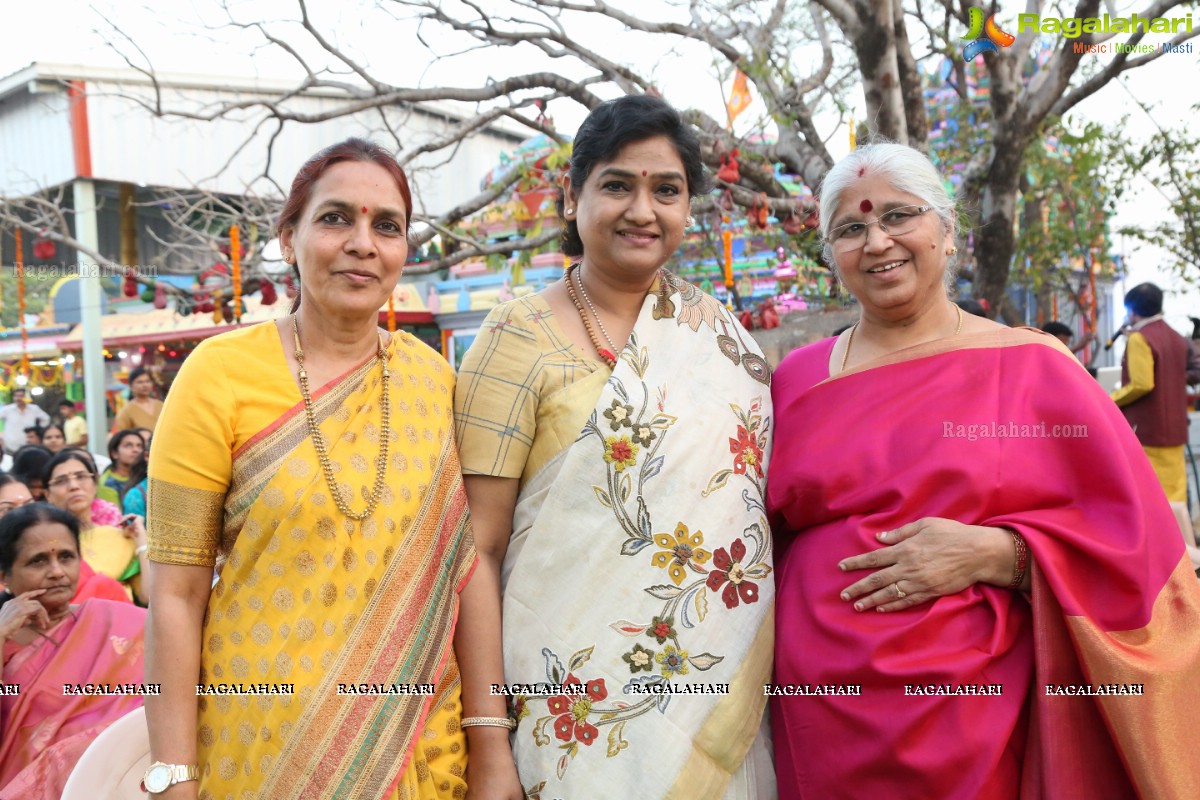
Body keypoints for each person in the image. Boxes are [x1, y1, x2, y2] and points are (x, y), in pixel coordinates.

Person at [768, 142, 1200, 798]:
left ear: (948, 231)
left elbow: (1141, 549)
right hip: (817, 709)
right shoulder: (793, 380)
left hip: (974, 715)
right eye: (852, 229)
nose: (878, 241)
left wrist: (1006, 556)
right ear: (832, 255)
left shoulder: (1035, 368)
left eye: (898, 217)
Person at [454, 95, 775, 799]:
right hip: (564, 707)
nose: (643, 210)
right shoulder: (515, 339)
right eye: (617, 184)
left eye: (667, 190)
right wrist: (487, 741)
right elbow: (475, 551)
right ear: (572, 196)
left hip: (709, 703)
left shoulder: (722, 339)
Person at [144, 137, 476, 800]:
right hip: (261, 748)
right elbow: (174, 597)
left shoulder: (434, 380)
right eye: (335, 218)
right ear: (289, 238)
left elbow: (463, 575)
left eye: (387, 226)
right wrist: (172, 776)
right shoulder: (219, 375)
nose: (363, 242)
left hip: (416, 740)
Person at [0, 502, 148, 799]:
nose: (57, 572)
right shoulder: (4, 639)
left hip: (125, 783)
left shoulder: (116, 621)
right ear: (5, 575)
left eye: (66, 557)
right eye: (38, 561)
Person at [43, 450, 148, 605]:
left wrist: (141, 539)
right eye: (61, 481)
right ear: (47, 494)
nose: (73, 486)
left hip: (121, 626)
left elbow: (148, 598)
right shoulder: (44, 546)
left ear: (95, 484)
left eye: (81, 477)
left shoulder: (118, 538)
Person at [96, 430, 145, 506]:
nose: (136, 450)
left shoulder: (145, 476)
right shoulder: (107, 484)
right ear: (114, 453)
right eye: (128, 446)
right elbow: (114, 516)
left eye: (139, 446)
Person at [111, 368, 164, 434]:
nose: (145, 385)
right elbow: (122, 435)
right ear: (131, 386)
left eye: (148, 381)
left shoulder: (161, 405)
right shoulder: (126, 411)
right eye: (140, 382)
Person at [0, 388, 50, 456]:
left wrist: (38, 431)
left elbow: (46, 419)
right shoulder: (7, 410)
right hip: (10, 447)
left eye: (21, 396)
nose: (18, 398)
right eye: (16, 396)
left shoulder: (34, 409)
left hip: (29, 445)